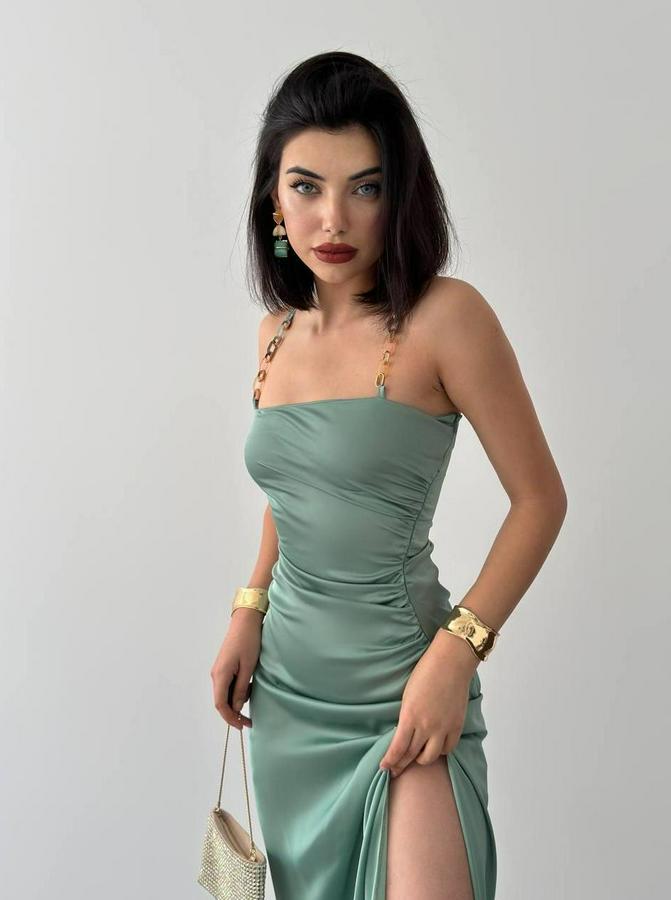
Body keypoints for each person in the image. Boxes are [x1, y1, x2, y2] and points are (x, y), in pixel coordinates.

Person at [209, 51, 567, 900]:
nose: (332, 218)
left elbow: (539, 501)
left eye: (364, 187)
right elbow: (296, 489)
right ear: (272, 199)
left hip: (406, 685)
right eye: (305, 187)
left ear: (398, 194)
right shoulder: (274, 334)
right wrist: (249, 606)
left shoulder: (446, 318)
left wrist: (456, 653)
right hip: (289, 692)